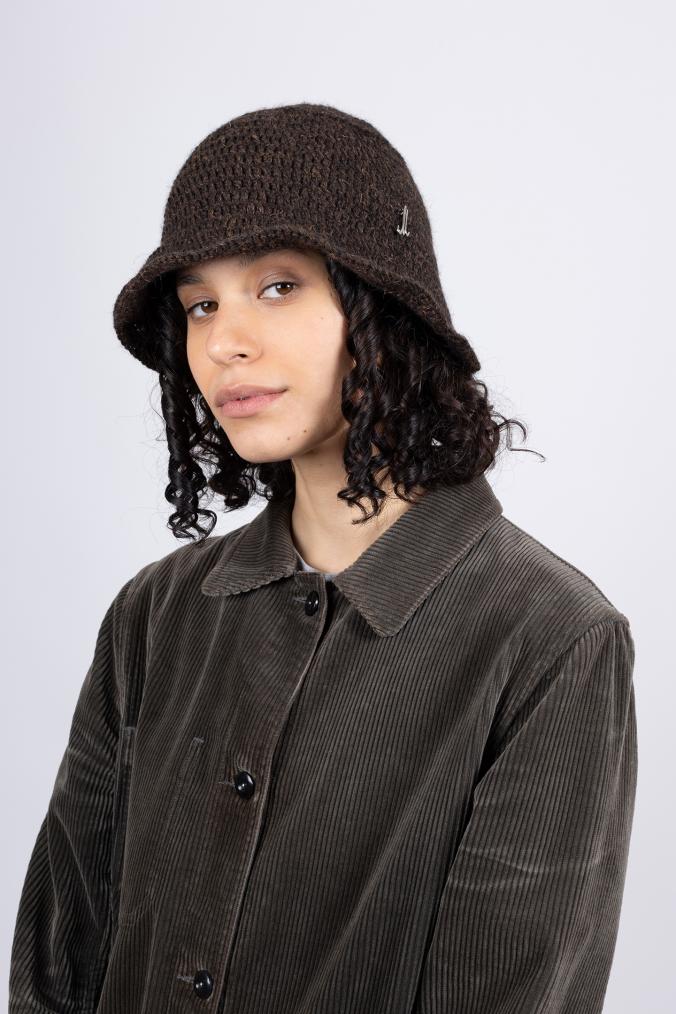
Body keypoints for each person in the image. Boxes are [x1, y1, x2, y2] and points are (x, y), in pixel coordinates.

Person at [9, 102, 638, 1014]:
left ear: (381, 308)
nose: (223, 341)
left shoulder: (549, 641)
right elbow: (55, 968)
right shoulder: (156, 612)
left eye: (277, 287)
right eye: (200, 304)